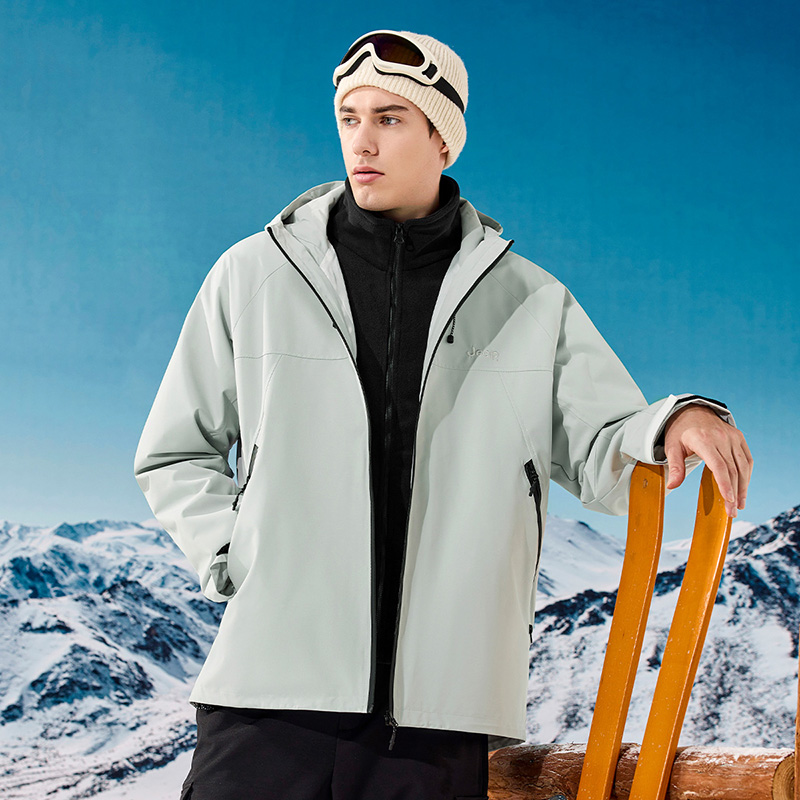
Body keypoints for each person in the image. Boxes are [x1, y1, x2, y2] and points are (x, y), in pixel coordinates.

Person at [134, 29, 753, 800]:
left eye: (390, 119)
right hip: (268, 694)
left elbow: (604, 444)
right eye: (349, 118)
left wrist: (677, 419)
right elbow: (175, 452)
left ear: (443, 140)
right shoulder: (253, 275)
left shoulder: (529, 300)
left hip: (434, 721)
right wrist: (239, 555)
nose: (362, 141)